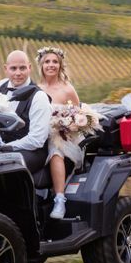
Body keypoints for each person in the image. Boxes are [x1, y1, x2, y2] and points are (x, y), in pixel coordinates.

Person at [35, 46, 80, 219]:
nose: (51, 65)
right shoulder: (36, 89)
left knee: (55, 148)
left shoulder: (67, 89)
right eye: (47, 62)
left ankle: (60, 200)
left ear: (60, 66)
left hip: (62, 135)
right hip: (39, 133)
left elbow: (78, 114)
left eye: (55, 62)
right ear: (41, 65)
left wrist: (67, 124)